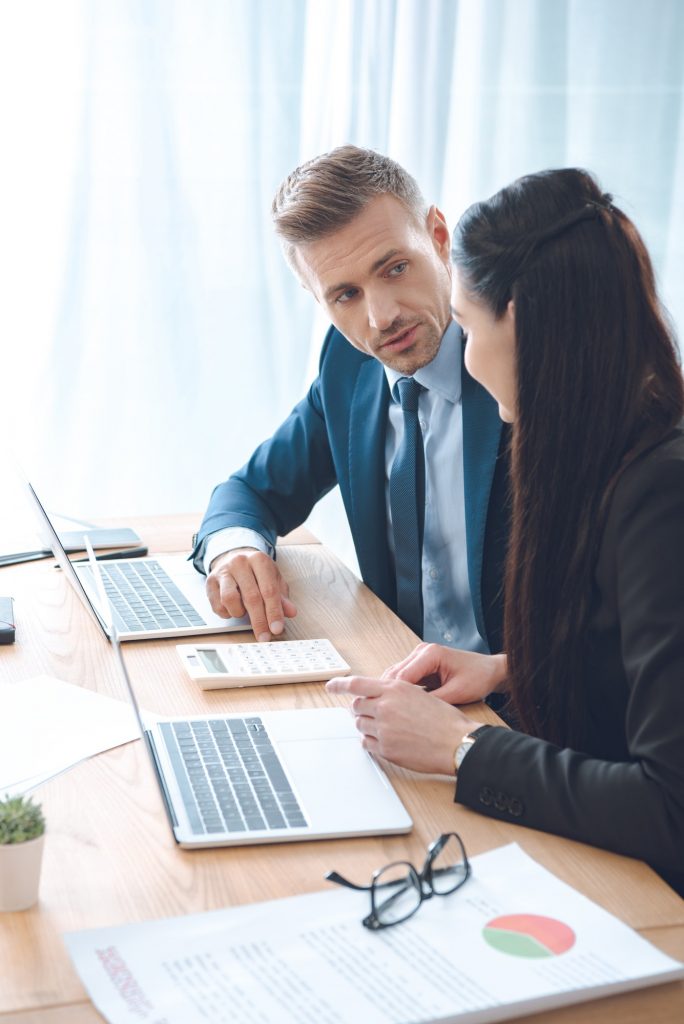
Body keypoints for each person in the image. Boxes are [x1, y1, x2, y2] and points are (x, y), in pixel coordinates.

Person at [328, 167, 684, 895]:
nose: (458, 348)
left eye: (465, 319)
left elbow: (671, 805)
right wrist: (505, 670)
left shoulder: (661, 490)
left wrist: (463, 750)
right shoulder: (602, 442)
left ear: (516, 320)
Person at [193, 146, 510, 659]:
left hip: (521, 709)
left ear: (439, 237)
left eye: (395, 268)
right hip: (396, 682)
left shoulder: (517, 362)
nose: (382, 317)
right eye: (345, 295)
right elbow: (251, 491)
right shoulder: (349, 365)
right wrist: (236, 549)